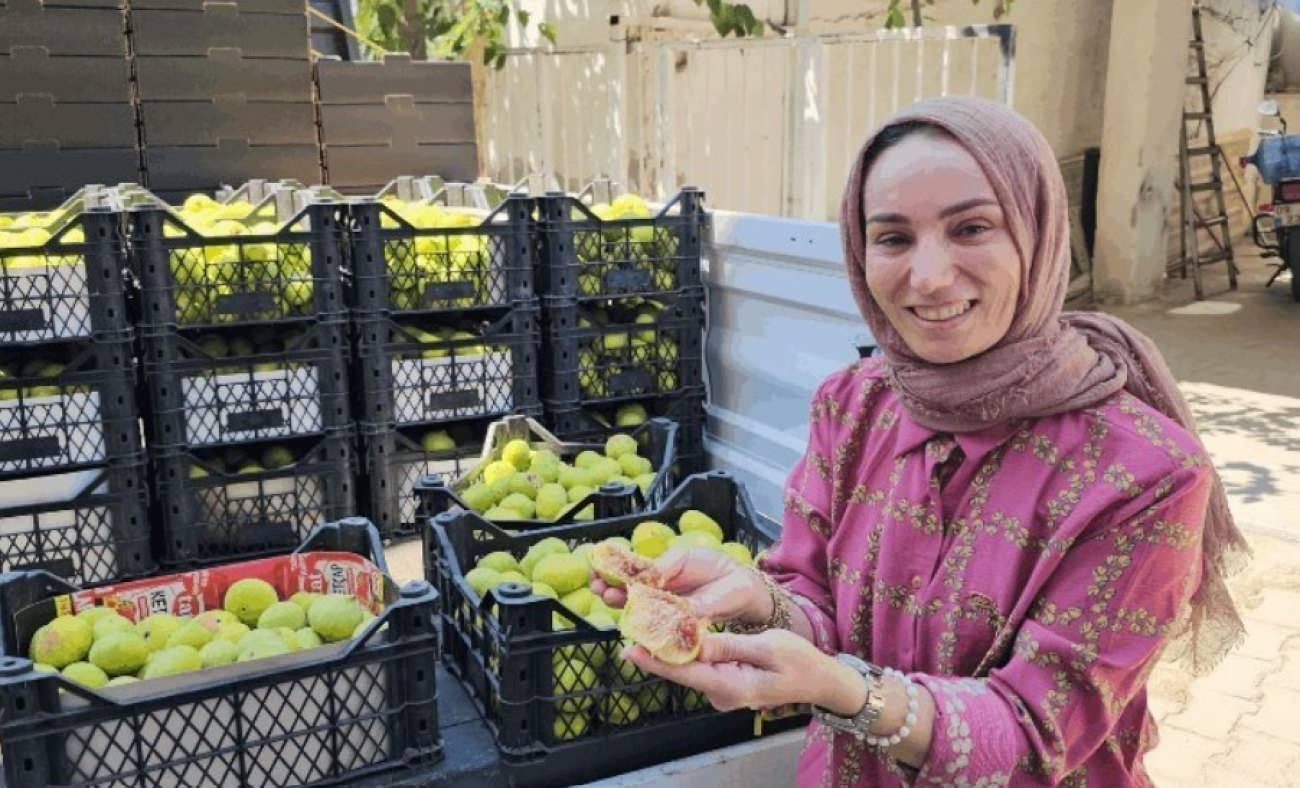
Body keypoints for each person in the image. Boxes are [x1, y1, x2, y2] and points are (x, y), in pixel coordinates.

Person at [591, 96, 1251, 786]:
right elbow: (814, 601)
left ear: (1037, 230)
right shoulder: (853, 405)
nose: (930, 277)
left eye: (971, 228)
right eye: (895, 238)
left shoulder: (1146, 472)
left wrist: (844, 691)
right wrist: (757, 602)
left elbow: (1037, 730)